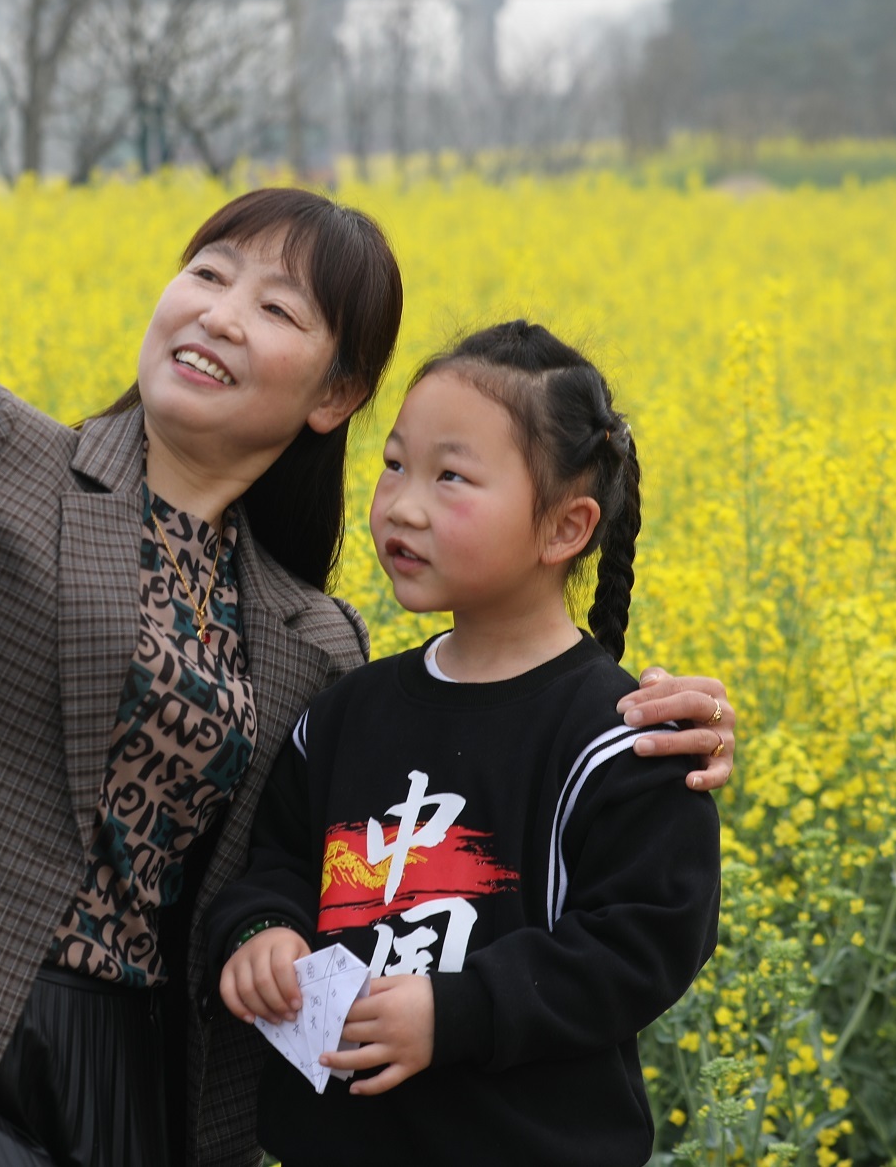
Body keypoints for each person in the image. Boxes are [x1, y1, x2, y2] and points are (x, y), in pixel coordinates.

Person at [0, 52, 740, 1167]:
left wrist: (645, 720)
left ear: (333, 395)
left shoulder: (313, 641)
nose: (219, 313)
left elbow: (339, 847)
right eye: (206, 273)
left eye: (274, 306)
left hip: (136, 1071)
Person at [209, 321, 721, 1167]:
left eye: (451, 477)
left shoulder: (622, 738)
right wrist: (262, 929)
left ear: (565, 529)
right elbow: (277, 861)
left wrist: (459, 1011)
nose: (402, 505)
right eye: (395, 465)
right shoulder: (345, 713)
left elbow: (645, 940)